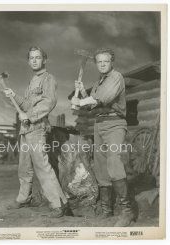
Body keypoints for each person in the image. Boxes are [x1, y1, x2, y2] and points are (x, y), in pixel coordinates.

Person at [4, 46, 71, 218]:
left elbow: (49, 102)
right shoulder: (32, 81)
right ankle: (24, 198)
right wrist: (14, 96)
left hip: (37, 128)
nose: (34, 60)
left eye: (37, 57)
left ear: (44, 60)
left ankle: (59, 204)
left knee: (42, 166)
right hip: (26, 129)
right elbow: (26, 104)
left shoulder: (48, 78)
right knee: (24, 167)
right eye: (31, 58)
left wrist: (30, 115)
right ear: (28, 61)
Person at [71, 48, 135, 226]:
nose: (102, 64)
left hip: (115, 124)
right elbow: (93, 105)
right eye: (99, 62)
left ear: (111, 62)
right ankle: (107, 209)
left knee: (114, 163)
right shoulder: (100, 81)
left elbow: (103, 99)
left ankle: (127, 211)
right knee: (100, 166)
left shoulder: (116, 78)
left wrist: (80, 101)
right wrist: (83, 92)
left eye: (105, 61)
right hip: (99, 125)